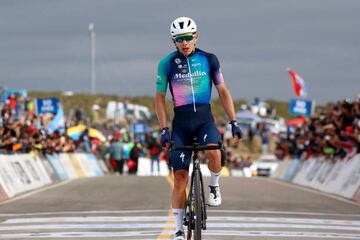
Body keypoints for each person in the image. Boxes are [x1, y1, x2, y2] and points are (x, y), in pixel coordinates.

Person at [155, 17, 242, 240]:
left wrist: (234, 121)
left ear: (196, 36)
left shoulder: (209, 59)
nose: (184, 42)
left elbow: (223, 91)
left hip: (205, 120)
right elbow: (159, 98)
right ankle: (177, 229)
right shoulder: (166, 64)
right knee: (180, 178)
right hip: (181, 125)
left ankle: (213, 185)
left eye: (188, 37)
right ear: (173, 41)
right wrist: (164, 128)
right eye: (179, 39)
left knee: (214, 151)